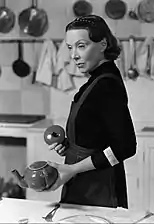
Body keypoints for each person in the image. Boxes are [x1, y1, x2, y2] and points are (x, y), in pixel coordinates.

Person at [47, 14, 137, 209]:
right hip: (82, 182)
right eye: (70, 47)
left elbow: (126, 147)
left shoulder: (106, 85)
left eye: (81, 46)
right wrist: (69, 145)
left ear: (103, 44)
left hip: (100, 188)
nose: (73, 55)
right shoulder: (96, 80)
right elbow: (97, 133)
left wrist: (72, 169)